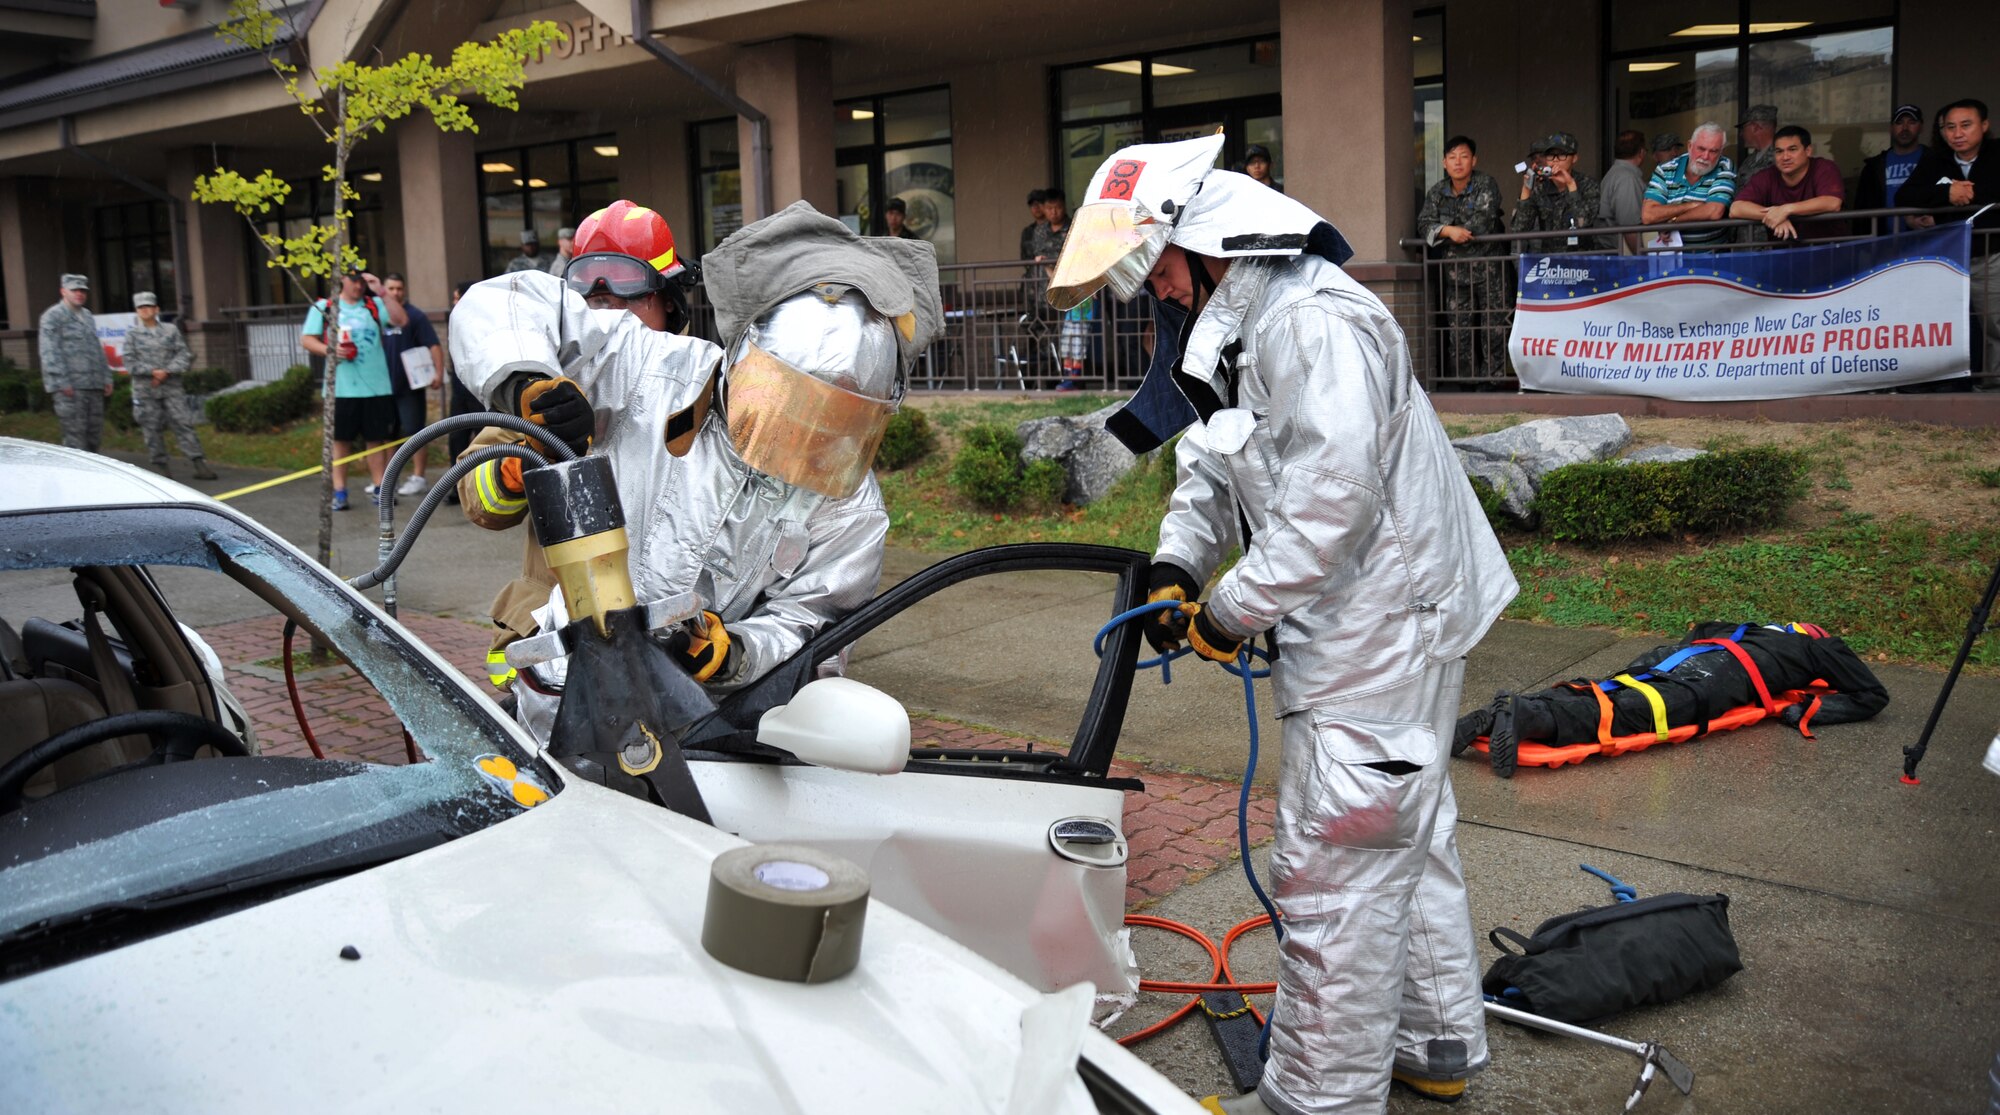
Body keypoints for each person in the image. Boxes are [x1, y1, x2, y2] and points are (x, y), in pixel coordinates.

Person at [1045, 131, 1517, 1113]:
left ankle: (1314, 1099)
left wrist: (1227, 610)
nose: (1153, 289)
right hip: (1370, 613)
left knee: (1334, 864)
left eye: (1154, 265)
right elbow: (1212, 465)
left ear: (1206, 234)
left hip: (1381, 623)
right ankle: (1431, 1040)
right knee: (1402, 829)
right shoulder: (1230, 323)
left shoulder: (1313, 324)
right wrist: (1179, 565)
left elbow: (1327, 508)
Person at [452, 199, 939, 726]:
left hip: (705, 735)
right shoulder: (646, 369)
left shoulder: (852, 503)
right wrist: (527, 383)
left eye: (834, 418)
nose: (806, 434)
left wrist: (736, 653)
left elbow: (814, 618)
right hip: (562, 696)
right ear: (743, 358)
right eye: (789, 404)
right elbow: (510, 301)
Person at [1454, 622, 1888, 779]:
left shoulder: (1749, 626)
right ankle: (1527, 715)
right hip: (1720, 675)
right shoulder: (1822, 647)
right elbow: (1872, 695)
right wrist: (1804, 711)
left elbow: (1699, 630)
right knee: (1637, 713)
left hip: (1679, 657)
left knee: (1612, 687)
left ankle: (1509, 710)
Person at [1901, 98, 2000, 380]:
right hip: (1948, 260)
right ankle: (1955, 384)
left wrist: (1967, 194)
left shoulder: (1996, 153)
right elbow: (1906, 195)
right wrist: (1946, 194)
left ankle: (1994, 388)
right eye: (1950, 127)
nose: (1957, 133)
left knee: (1995, 323)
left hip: (1990, 253)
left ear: (1984, 125)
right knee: (1949, 325)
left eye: (1966, 125)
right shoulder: (1937, 159)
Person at [300, 268, 408, 510]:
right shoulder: (326, 306)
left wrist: (381, 290)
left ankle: (381, 488)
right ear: (342, 281)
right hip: (341, 389)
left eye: (362, 282)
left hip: (376, 387)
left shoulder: (374, 303)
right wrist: (329, 350)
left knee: (376, 441)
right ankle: (340, 492)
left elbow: (401, 320)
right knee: (341, 442)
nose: (359, 286)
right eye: (354, 281)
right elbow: (307, 339)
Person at [1417, 134, 1508, 378]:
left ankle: (1492, 380)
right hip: (1455, 273)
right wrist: (1448, 231)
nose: (1458, 162)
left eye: (1464, 157)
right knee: (1459, 328)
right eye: (1452, 157)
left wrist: (1452, 233)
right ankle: (1463, 379)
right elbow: (1424, 224)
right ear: (1444, 162)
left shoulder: (1486, 184)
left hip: (1489, 271)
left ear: (1473, 161)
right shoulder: (1437, 192)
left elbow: (1483, 222)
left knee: (1493, 327)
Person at [119, 291, 215, 480]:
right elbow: (130, 362)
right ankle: (161, 468)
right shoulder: (132, 335)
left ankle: (198, 463)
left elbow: (184, 355)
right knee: (151, 428)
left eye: (149, 306)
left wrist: (166, 372)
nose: (145, 310)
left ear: (157, 309)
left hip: (171, 387)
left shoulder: (170, 330)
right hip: (146, 389)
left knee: (183, 423)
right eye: (141, 307)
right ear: (137, 311)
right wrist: (153, 372)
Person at [380, 273, 444, 496]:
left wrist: (438, 372)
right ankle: (388, 480)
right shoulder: (378, 315)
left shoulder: (415, 316)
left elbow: (434, 345)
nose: (395, 293)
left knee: (415, 432)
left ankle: (419, 477)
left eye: (399, 288)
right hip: (383, 387)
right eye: (391, 288)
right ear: (384, 290)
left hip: (410, 387)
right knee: (387, 434)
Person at [1730, 125, 1849, 241]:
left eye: (1792, 150)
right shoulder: (1767, 175)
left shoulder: (1824, 168)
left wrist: (1786, 210)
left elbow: (1832, 202)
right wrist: (1775, 215)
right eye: (1779, 151)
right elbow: (1736, 208)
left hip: (1829, 251)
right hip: (1785, 255)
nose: (1785, 157)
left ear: (1808, 151)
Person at [37, 273, 114, 454]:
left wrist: (106, 377)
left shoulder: (86, 315)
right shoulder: (53, 316)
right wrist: (62, 382)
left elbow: (96, 348)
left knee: (94, 436)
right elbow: (49, 351)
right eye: (74, 290)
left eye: (83, 290)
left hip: (93, 385)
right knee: (75, 439)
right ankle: (76, 479)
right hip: (70, 388)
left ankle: (91, 476)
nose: (79, 294)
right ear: (63, 291)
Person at [1642, 121, 1737, 247]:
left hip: (1711, 257)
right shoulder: (1665, 169)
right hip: (1672, 258)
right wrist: (1691, 206)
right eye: (1701, 149)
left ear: (1721, 152)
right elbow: (1648, 215)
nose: (1705, 156)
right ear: (1690, 146)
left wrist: (1672, 223)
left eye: (1713, 151)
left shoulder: (1724, 166)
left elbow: (1714, 211)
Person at [1510, 131, 1603, 253]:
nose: (1555, 160)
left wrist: (1570, 185)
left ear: (1574, 158)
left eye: (1561, 155)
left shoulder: (1588, 184)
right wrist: (1526, 189)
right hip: (1551, 263)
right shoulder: (1541, 187)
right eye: (1550, 156)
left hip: (1581, 261)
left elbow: (1583, 222)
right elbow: (1519, 229)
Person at [443, 279, 486, 506]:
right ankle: (455, 484)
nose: (454, 303)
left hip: (477, 386)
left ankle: (484, 486)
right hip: (459, 386)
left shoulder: (481, 320)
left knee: (483, 436)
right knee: (457, 437)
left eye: (457, 298)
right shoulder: (453, 320)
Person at [1856, 105, 1930, 234]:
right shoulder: (1874, 166)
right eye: (1899, 123)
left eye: (1911, 122)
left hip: (1926, 241)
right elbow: (1861, 209)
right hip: (1883, 245)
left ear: (1921, 127)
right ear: (1891, 128)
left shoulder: (1934, 160)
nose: (1905, 128)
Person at [1600, 129, 1650, 253]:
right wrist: (1642, 259)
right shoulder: (1627, 179)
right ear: (1642, 152)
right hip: (1622, 256)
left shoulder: (1616, 173)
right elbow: (1630, 228)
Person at [1736, 104, 1779, 182]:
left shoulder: (1782, 158)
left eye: (1743, 128)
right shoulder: (1749, 160)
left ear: (1755, 127)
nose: (1741, 134)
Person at [1019, 188, 1047, 260]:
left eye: (1039, 203)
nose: (1036, 207)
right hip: (1034, 270)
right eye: (1032, 205)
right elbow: (1024, 258)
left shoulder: (1056, 228)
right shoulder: (1027, 232)